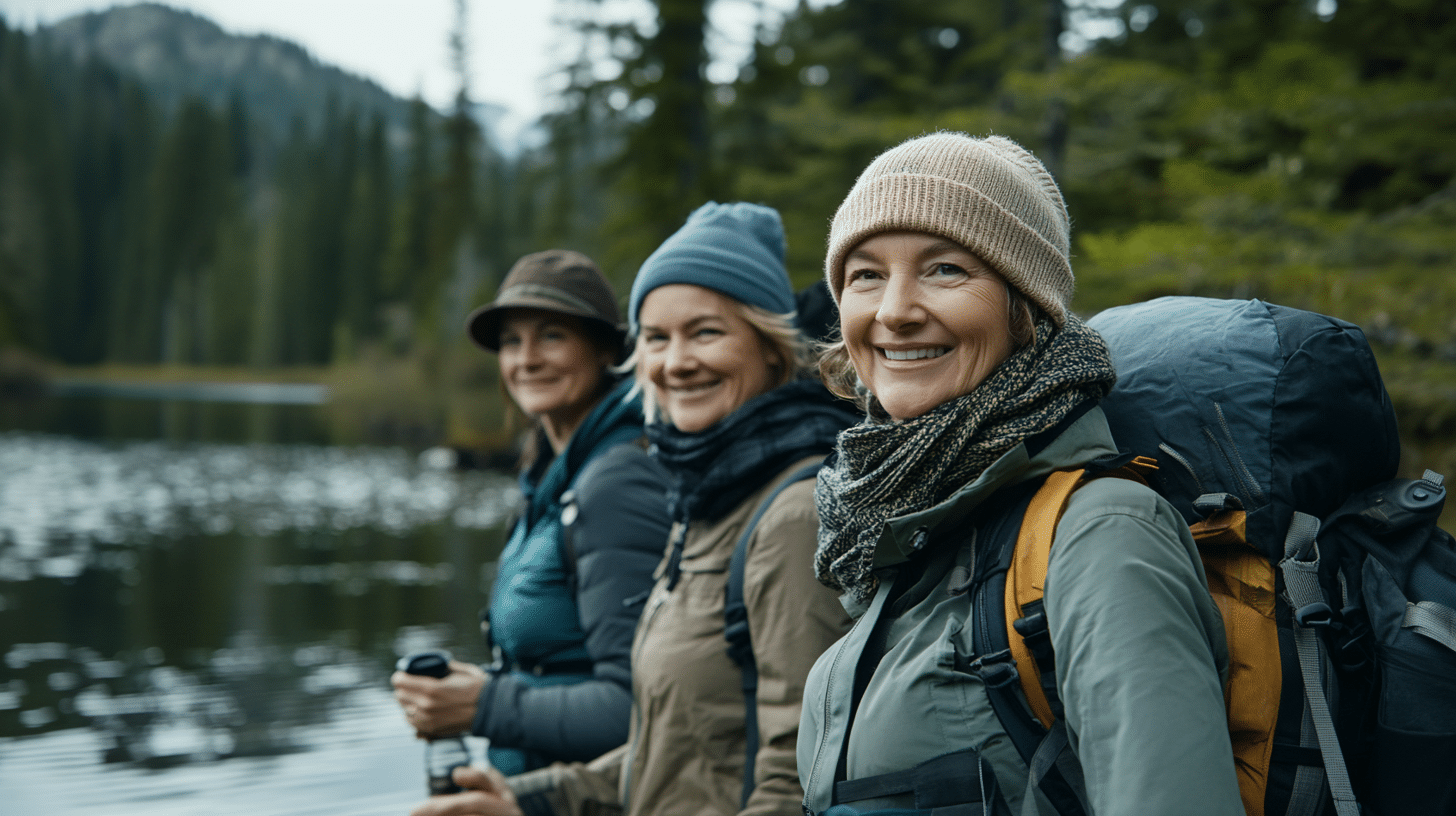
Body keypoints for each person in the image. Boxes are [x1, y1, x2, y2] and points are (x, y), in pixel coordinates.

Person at [795, 133, 1244, 816]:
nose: (894, 310)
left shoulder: (1101, 533)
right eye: (866, 274)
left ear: (1025, 310)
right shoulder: (903, 530)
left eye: (945, 269)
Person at [409, 202, 858, 816]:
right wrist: (527, 803)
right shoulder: (701, 503)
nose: (676, 361)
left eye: (705, 332)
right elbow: (669, 750)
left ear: (772, 347)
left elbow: (796, 782)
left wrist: (488, 706)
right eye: (657, 338)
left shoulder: (789, 517)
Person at [391, 250, 672, 793]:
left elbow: (639, 706)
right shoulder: (552, 473)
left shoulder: (619, 482)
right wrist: (479, 689)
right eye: (512, 342)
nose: (527, 360)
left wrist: (485, 704)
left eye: (551, 336)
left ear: (606, 350)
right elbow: (562, 666)